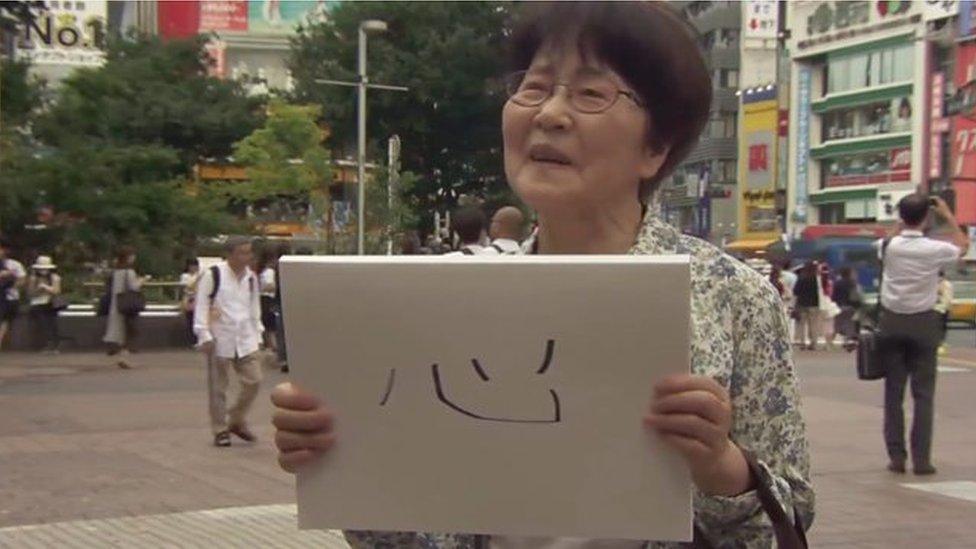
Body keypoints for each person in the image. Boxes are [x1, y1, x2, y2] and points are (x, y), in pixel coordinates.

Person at [270, 3, 814, 547]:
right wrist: (342, 463)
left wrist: (722, 468)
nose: (550, 113)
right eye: (534, 88)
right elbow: (411, 537)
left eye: (591, 94)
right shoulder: (447, 305)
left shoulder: (733, 296)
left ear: (656, 148)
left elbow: (789, 516)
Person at [878, 194, 969, 476]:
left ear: (902, 217)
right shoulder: (936, 249)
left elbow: (887, 241)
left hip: (891, 323)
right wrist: (947, 215)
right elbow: (963, 246)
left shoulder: (889, 246)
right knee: (924, 394)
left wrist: (900, 222)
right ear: (927, 218)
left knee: (893, 393)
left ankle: (896, 456)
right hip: (924, 323)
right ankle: (922, 460)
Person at [194, 236, 264, 448]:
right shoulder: (213, 274)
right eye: (243, 252)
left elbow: (254, 307)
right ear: (231, 254)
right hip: (220, 335)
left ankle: (236, 418)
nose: (247, 257)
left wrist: (258, 333)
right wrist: (203, 334)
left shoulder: (251, 277)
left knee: (254, 380)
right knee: (218, 387)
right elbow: (202, 305)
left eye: (249, 252)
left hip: (245, 337)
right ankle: (220, 428)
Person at [103, 246, 147, 369]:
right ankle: (123, 358)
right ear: (128, 257)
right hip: (128, 306)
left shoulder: (115, 272)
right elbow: (134, 287)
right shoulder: (129, 272)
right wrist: (143, 280)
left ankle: (118, 354)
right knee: (130, 332)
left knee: (120, 331)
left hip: (116, 304)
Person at [28, 256, 62, 353]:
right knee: (42, 325)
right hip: (37, 303)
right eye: (41, 268)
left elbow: (57, 291)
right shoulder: (33, 278)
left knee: (52, 324)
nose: (43, 270)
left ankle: (54, 345)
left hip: (50, 303)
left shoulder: (55, 278)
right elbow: (30, 293)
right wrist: (38, 289)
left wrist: (46, 288)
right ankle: (44, 345)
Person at [0, 239, 27, 351]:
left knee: (3, 320)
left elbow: (22, 279)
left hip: (8, 297)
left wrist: (12, 281)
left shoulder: (14, 265)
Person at [793, 262, 822, 350]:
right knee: (813, 325)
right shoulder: (817, 279)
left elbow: (795, 291)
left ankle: (802, 343)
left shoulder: (801, 278)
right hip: (814, 304)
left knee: (801, 324)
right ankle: (814, 343)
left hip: (802, 303)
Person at [832, 267, 862, 345]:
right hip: (850, 306)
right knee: (849, 324)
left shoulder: (837, 283)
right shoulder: (853, 283)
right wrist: (858, 306)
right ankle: (847, 341)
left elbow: (833, 296)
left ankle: (831, 340)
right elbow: (855, 296)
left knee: (837, 323)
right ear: (849, 274)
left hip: (839, 306)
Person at [179, 259, 201, 347]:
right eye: (191, 266)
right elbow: (185, 287)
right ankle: (191, 341)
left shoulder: (199, 275)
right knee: (190, 320)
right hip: (188, 299)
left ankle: (198, 340)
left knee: (198, 320)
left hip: (198, 299)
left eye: (195, 266)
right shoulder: (184, 276)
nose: (193, 268)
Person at [934, 272, 953, 356]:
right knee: (939, 327)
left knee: (941, 327)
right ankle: (939, 343)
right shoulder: (935, 284)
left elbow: (947, 298)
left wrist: (945, 308)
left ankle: (940, 344)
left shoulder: (946, 284)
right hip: (937, 309)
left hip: (941, 309)